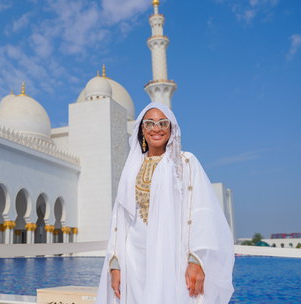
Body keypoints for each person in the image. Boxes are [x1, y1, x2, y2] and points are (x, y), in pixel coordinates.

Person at [95, 103, 234, 304]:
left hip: (172, 254)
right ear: (142, 129)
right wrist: (115, 263)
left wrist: (196, 259)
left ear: (172, 128)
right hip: (134, 259)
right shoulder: (132, 168)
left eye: (163, 123)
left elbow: (200, 211)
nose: (156, 128)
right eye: (150, 123)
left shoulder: (185, 163)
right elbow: (119, 218)